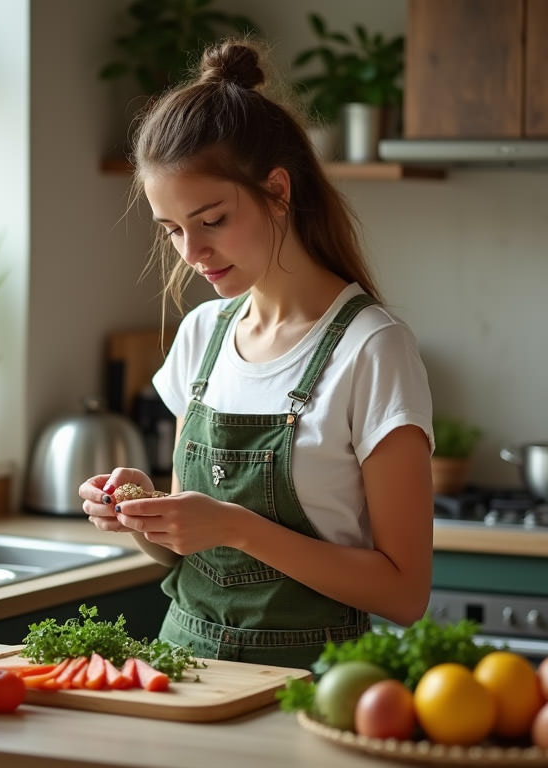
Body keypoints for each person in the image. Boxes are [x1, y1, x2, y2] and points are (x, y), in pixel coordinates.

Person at [78, 39, 434, 669]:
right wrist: (142, 513)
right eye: (173, 230)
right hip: (184, 675)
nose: (192, 252)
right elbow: (189, 552)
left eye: (211, 219)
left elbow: (405, 593)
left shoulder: (373, 349)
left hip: (309, 686)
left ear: (277, 191)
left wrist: (236, 526)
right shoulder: (201, 336)